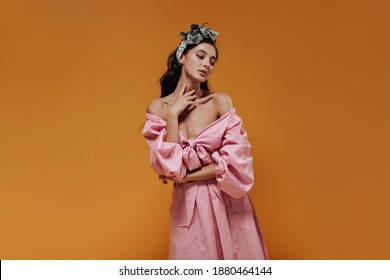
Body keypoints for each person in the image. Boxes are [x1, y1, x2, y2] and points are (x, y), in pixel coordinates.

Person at [143, 23, 269, 260]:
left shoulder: (220, 102)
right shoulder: (159, 109)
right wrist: (173, 115)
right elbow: (172, 167)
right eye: (201, 56)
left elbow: (237, 167)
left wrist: (186, 176)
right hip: (188, 208)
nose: (206, 65)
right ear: (182, 56)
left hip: (230, 204)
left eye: (212, 61)